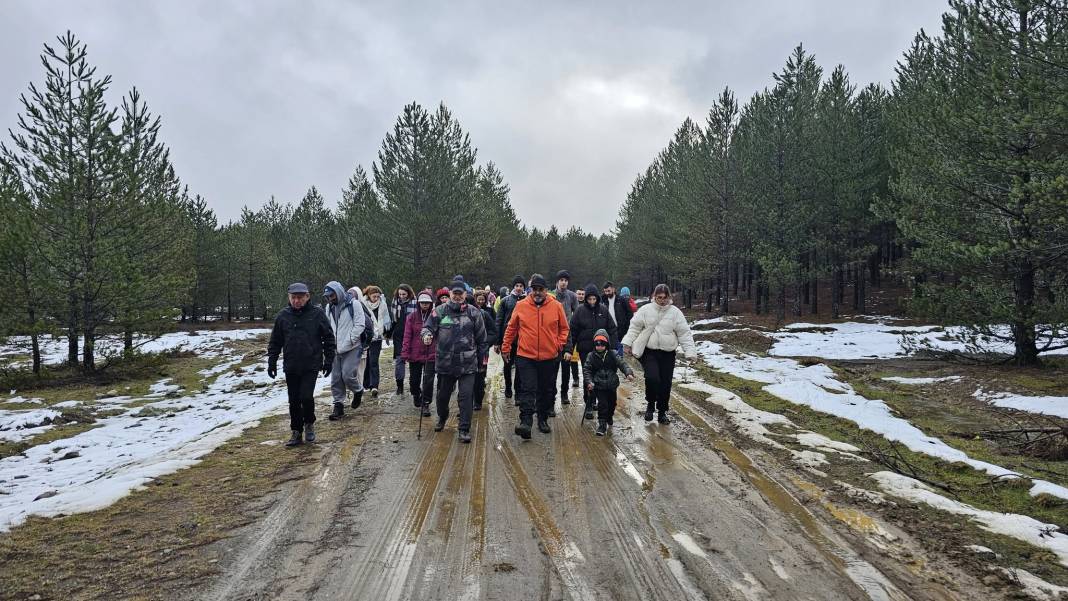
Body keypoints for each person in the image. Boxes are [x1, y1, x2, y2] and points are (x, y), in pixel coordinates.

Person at [267, 283, 336, 447]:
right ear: (289, 298)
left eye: (300, 297)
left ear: (307, 297)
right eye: (293, 298)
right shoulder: (283, 316)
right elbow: (275, 341)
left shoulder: (317, 314)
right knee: (293, 399)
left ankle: (309, 424)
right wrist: (272, 361)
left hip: (311, 364)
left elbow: (328, 338)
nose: (296, 301)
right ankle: (296, 431)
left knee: (306, 396)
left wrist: (329, 361)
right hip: (291, 364)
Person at [502, 274, 569, 439]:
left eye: (541, 290)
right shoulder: (521, 305)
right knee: (528, 388)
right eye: (535, 289)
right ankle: (525, 422)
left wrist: (558, 345)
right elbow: (511, 328)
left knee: (546, 390)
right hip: (526, 355)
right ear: (530, 290)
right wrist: (506, 346)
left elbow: (564, 328)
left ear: (546, 290)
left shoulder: (556, 306)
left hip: (549, 357)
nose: (537, 293)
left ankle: (542, 418)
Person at [421, 282, 489, 443]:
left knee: (466, 397)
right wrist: (426, 336)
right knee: (442, 396)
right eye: (454, 293)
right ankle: (442, 417)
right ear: (450, 293)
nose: (457, 296)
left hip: (468, 363)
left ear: (465, 295)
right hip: (445, 363)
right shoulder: (440, 311)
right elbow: (427, 328)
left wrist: (482, 362)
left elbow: (482, 340)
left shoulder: (474, 313)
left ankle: (464, 429)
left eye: (461, 293)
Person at [622, 284, 697, 424]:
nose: (662, 300)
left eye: (665, 297)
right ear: (654, 297)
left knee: (665, 383)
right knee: (652, 378)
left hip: (668, 353)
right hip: (649, 352)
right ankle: (650, 405)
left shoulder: (675, 313)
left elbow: (684, 333)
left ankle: (662, 412)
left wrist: (690, 353)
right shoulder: (645, 310)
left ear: (669, 297)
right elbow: (634, 328)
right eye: (659, 297)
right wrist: (627, 343)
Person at [569, 284, 618, 419]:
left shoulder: (603, 310)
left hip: (601, 349)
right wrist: (569, 349)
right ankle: (589, 403)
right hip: (585, 350)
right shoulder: (579, 311)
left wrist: (613, 347)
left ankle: (598, 400)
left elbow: (612, 329)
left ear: (597, 298)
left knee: (600, 375)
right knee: (588, 376)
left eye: (594, 299)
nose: (591, 302)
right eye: (589, 299)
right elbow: (572, 331)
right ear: (586, 299)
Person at [322, 281, 367, 421]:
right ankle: (338, 405)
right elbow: (328, 326)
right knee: (336, 378)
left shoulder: (354, 304)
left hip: (353, 347)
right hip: (335, 348)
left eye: (332, 295)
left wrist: (351, 339)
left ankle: (358, 390)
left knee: (347, 374)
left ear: (339, 292)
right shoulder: (329, 307)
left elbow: (360, 324)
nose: (330, 298)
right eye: (328, 296)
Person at [583, 329, 635, 436]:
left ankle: (609, 416)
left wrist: (628, 372)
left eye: (602, 345)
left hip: (611, 384)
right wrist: (589, 382)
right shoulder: (591, 356)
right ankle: (602, 424)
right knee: (603, 404)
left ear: (607, 344)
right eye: (597, 345)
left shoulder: (613, 354)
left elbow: (622, 363)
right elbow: (587, 370)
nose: (600, 347)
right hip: (599, 385)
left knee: (612, 403)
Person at [402, 290, 436, 417]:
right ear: (418, 303)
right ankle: (416, 394)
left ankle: (426, 403)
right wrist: (405, 352)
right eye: (422, 303)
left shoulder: (435, 316)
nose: (425, 305)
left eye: (427, 303)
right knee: (414, 381)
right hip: (415, 353)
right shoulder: (411, 317)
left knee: (428, 380)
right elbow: (407, 336)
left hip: (430, 353)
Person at [495, 275, 527, 401]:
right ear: (513, 287)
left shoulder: (528, 301)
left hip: (522, 339)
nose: (519, 288)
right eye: (517, 286)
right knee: (507, 365)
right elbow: (498, 321)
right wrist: (498, 342)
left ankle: (518, 392)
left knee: (520, 366)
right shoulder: (505, 301)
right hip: (508, 338)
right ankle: (508, 387)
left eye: (521, 286)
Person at [551, 270, 579, 407]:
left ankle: (564, 394)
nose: (564, 282)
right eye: (561, 280)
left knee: (566, 367)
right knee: (553, 368)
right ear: (557, 282)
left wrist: (574, 332)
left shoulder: (572, 296)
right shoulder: (551, 296)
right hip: (552, 335)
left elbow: (577, 314)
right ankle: (551, 395)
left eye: (566, 280)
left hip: (567, 335)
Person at [361, 285, 392, 397]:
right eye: (374, 296)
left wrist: (387, 333)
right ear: (368, 295)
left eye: (378, 296)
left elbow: (386, 319)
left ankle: (374, 385)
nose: (376, 299)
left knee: (374, 361)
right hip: (365, 336)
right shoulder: (362, 304)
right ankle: (366, 384)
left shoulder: (382, 305)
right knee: (366, 361)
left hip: (377, 337)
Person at [472, 289, 499, 411]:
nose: (480, 301)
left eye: (483, 299)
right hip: (466, 352)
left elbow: (494, 331)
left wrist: (485, 342)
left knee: (480, 376)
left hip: (483, 352)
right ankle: (466, 403)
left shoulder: (486, 313)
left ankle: (478, 400)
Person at [389, 284, 416, 396]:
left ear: (409, 293)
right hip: (399, 335)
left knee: (413, 360)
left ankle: (414, 385)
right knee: (400, 361)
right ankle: (399, 385)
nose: (402, 296)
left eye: (404, 294)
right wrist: (388, 333)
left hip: (412, 334)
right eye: (400, 294)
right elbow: (393, 320)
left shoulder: (415, 303)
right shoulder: (395, 303)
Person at [602, 281, 633, 358]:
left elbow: (630, 314)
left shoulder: (622, 300)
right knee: (609, 351)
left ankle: (620, 366)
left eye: (608, 291)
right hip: (608, 330)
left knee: (619, 353)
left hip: (620, 330)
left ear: (613, 289)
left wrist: (627, 327)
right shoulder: (603, 300)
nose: (607, 293)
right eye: (605, 291)